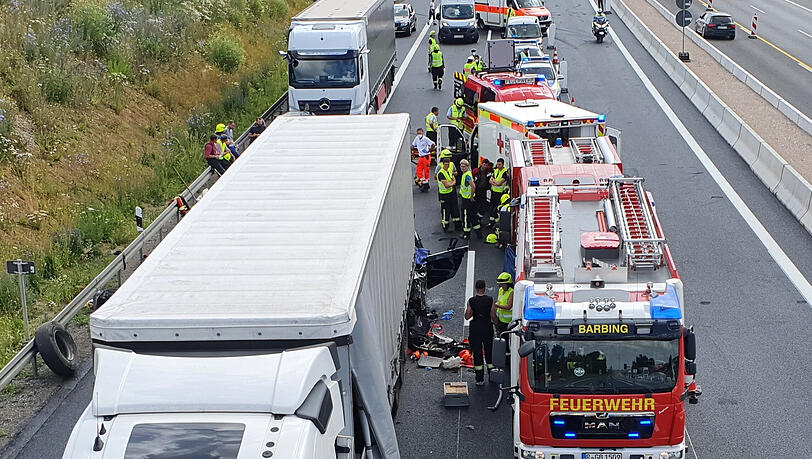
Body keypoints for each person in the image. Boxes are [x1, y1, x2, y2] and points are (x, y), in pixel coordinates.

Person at [465, 279, 495, 385]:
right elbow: (493, 315)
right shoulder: (490, 300)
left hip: (476, 328)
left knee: (477, 352)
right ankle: (492, 375)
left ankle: (479, 379)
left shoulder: (471, 301)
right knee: (489, 351)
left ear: (476, 288)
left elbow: (467, 316)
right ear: (485, 288)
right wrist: (497, 326)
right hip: (487, 327)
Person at [437, 149, 461, 232]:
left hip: (451, 191)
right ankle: (445, 225)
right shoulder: (440, 170)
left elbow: (454, 173)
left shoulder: (451, 165)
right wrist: (453, 182)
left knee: (454, 207)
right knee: (445, 209)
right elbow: (446, 183)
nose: (448, 164)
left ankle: (457, 224)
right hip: (444, 192)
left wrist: (454, 176)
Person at [459, 159, 481, 239]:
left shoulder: (467, 175)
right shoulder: (467, 174)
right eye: (461, 166)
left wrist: (471, 196)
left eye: (464, 166)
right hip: (469, 199)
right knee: (473, 216)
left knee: (466, 217)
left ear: (467, 167)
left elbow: (473, 186)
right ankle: (478, 233)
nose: (462, 168)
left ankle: (466, 234)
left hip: (467, 200)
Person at [492, 272, 515, 337]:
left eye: (503, 284)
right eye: (501, 284)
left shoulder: (511, 292)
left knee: (506, 337)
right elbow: (500, 301)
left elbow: (509, 306)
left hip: (507, 321)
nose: (502, 286)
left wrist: (496, 305)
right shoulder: (501, 290)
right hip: (500, 318)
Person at [489, 158, 509, 227]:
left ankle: (497, 222)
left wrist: (493, 181)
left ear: (503, 164)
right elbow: (490, 181)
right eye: (497, 164)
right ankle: (492, 222)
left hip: (500, 193)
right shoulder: (496, 170)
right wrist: (495, 182)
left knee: (497, 208)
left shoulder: (505, 172)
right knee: (492, 207)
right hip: (493, 191)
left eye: (499, 164)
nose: (498, 166)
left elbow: (499, 183)